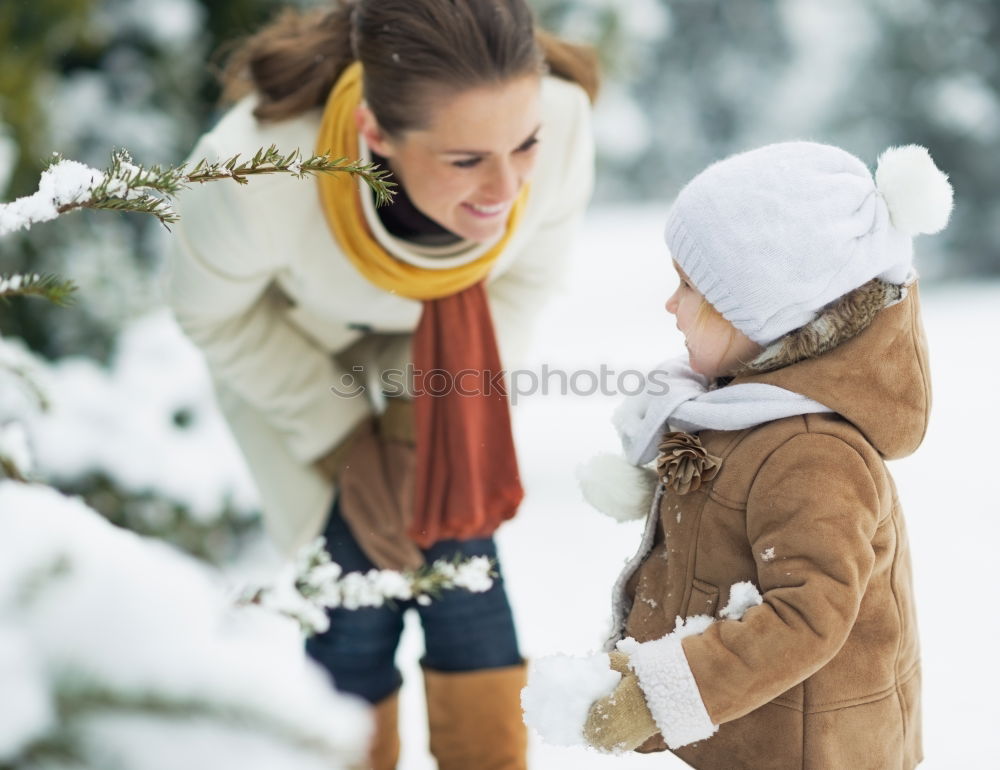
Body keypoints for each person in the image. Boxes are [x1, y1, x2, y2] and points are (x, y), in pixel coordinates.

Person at [163, 1, 597, 768]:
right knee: (354, 564)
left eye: (521, 145)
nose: (505, 187)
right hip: (293, 358)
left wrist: (420, 425)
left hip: (444, 357)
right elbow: (215, 318)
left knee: (456, 544)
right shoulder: (249, 175)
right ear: (375, 135)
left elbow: (522, 283)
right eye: (466, 160)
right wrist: (344, 445)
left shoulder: (559, 127)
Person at [531, 141, 952, 769]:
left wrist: (650, 694)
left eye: (690, 286)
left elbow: (805, 615)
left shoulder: (813, 452)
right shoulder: (746, 407)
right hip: (750, 734)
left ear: (766, 315)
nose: (670, 305)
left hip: (810, 751)